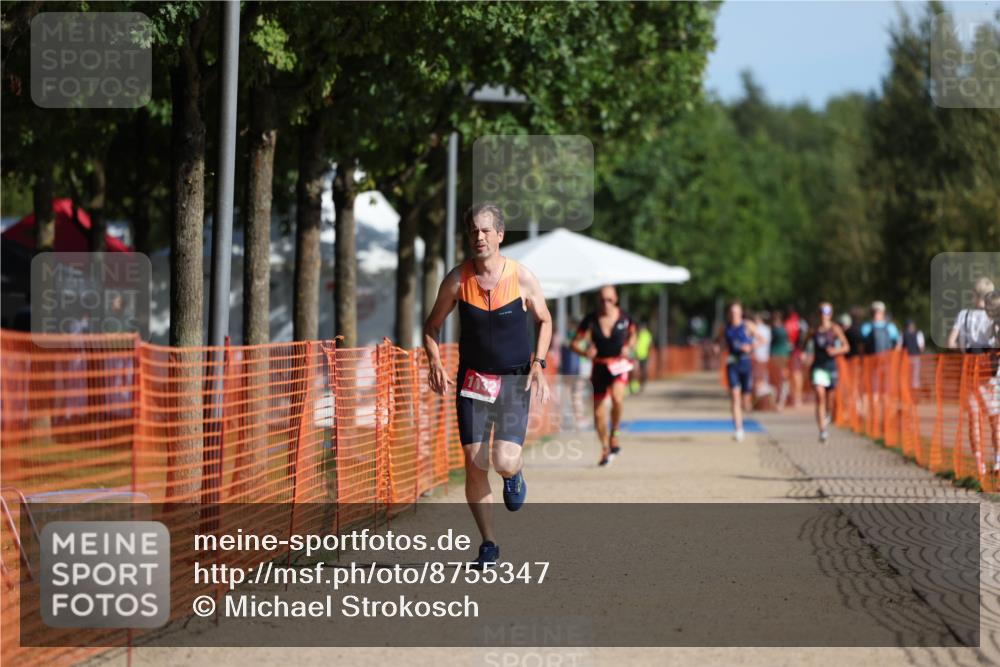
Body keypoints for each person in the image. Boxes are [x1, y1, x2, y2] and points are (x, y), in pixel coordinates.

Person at [423, 203, 552, 568]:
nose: (479, 237)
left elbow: (545, 320)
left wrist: (538, 363)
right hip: (473, 381)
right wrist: (433, 360)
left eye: (485, 231)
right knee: (475, 462)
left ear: (499, 235)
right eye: (473, 232)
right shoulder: (457, 280)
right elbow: (431, 326)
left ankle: (515, 472)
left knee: (503, 459)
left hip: (513, 380)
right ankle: (489, 544)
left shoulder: (522, 277)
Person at [570, 285, 636, 466]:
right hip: (599, 367)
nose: (606, 304)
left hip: (618, 365)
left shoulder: (625, 317)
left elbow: (633, 336)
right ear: (598, 301)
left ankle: (615, 433)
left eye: (610, 299)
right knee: (599, 414)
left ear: (616, 299)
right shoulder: (590, 320)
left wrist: (628, 347)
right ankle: (605, 448)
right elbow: (574, 343)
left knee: (617, 398)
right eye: (602, 300)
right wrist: (585, 353)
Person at [715, 300, 763, 442]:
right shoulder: (726, 327)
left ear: (741, 312)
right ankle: (739, 429)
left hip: (745, 363)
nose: (734, 314)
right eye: (732, 312)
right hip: (732, 364)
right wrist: (718, 347)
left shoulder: (747, 325)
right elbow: (718, 341)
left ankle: (746, 406)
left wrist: (750, 347)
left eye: (737, 312)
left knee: (746, 401)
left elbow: (763, 340)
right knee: (735, 397)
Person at [810, 302, 850, 443]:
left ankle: (827, 414)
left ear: (831, 314)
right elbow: (804, 344)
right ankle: (822, 430)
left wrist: (836, 351)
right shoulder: (814, 329)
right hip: (818, 367)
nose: (824, 315)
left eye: (827, 312)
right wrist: (802, 353)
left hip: (830, 366)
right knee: (819, 395)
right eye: (822, 311)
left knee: (830, 399)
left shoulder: (835, 329)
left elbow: (846, 347)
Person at [751, 311, 774, 408]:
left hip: (757, 357)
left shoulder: (756, 329)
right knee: (762, 379)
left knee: (757, 380)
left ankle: (757, 402)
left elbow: (757, 342)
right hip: (764, 356)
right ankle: (759, 402)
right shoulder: (767, 329)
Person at [902, 318, 926, 393]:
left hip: (913, 357)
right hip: (909, 358)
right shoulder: (904, 334)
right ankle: (910, 392)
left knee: (914, 376)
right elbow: (922, 347)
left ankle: (913, 393)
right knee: (911, 376)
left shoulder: (905, 334)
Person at [632, 320, 653, 393]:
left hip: (645, 356)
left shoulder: (648, 335)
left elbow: (650, 346)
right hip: (636, 356)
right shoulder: (637, 334)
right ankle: (634, 385)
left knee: (644, 371)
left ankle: (642, 383)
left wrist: (649, 355)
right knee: (635, 370)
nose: (641, 328)